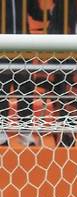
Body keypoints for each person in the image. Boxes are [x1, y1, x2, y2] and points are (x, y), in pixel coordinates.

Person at [0, 0, 45, 146]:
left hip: (22, 47)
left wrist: (53, 12)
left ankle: (25, 131)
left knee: (25, 89)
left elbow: (37, 13)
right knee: (2, 90)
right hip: (2, 47)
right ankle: (1, 131)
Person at [45, 0, 77, 147]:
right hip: (62, 56)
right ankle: (65, 135)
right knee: (64, 93)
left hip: (66, 56)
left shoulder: (67, 9)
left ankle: (66, 135)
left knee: (66, 94)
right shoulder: (63, 9)